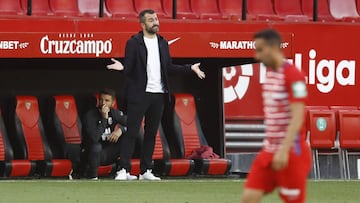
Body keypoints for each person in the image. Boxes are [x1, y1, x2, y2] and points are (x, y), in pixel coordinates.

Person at [107, 9, 205, 181]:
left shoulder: (162, 43)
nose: (155, 22)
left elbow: (169, 67)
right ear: (143, 24)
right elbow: (129, 66)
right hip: (139, 94)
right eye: (151, 20)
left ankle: (146, 170)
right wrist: (122, 68)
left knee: (151, 133)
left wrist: (190, 68)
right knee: (131, 131)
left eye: (156, 18)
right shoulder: (134, 42)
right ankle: (123, 169)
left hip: (158, 94)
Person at [240, 29, 311, 203]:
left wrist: (284, 151)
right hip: (269, 150)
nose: (256, 56)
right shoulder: (271, 74)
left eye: (260, 50)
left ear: (273, 48)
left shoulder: (294, 75)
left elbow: (298, 116)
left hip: (292, 152)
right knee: (249, 197)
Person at [81, 89, 137, 180]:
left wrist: (121, 130)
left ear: (112, 102)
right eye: (101, 100)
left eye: (107, 101)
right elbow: (94, 138)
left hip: (107, 152)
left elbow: (133, 123)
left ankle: (123, 170)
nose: (103, 103)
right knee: (96, 146)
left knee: (127, 138)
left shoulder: (114, 113)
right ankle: (93, 177)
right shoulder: (90, 115)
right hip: (90, 154)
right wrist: (104, 119)